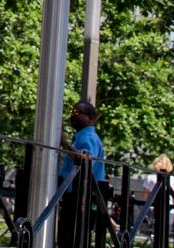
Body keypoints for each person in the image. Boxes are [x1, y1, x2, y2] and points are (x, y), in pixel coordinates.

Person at [56, 101, 106, 248]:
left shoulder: (88, 137)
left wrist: (64, 143)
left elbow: (84, 160)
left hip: (81, 196)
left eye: (78, 113)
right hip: (74, 195)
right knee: (66, 237)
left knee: (72, 238)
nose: (73, 115)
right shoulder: (80, 137)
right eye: (72, 112)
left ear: (90, 118)